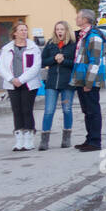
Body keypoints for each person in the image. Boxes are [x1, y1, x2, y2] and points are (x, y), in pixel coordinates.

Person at [0, 23, 42, 151]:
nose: (24, 32)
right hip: (12, 84)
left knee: (27, 110)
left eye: (25, 30)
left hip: (29, 84)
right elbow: (2, 66)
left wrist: (21, 79)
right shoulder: (7, 49)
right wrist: (12, 79)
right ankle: (19, 138)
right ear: (15, 33)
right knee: (16, 110)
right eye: (21, 30)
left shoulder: (33, 48)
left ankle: (29, 138)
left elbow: (36, 66)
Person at [69, 9, 106, 152]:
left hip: (89, 80)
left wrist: (89, 83)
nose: (76, 19)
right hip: (80, 78)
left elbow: (95, 61)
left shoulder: (94, 37)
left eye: (78, 17)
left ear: (85, 20)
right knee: (87, 111)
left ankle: (95, 141)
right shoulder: (83, 36)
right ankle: (89, 138)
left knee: (93, 110)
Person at [39, 20, 76, 150]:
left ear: (66, 30)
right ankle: (44, 139)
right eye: (57, 29)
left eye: (61, 29)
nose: (59, 31)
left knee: (67, 109)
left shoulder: (73, 45)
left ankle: (66, 138)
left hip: (67, 83)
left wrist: (64, 60)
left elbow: (75, 63)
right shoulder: (50, 44)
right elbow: (43, 62)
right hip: (52, 82)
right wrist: (54, 59)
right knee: (49, 110)